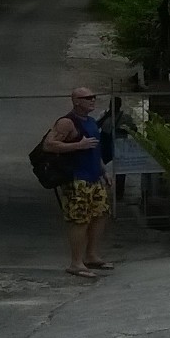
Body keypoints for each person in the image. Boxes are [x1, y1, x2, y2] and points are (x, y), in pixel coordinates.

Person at [43, 87, 112, 279]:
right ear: (76, 101)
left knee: (100, 214)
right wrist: (77, 146)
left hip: (94, 176)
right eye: (88, 97)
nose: (92, 100)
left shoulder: (90, 121)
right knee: (79, 219)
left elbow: (94, 149)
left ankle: (91, 255)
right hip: (76, 178)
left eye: (94, 97)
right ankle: (76, 262)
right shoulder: (67, 122)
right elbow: (48, 144)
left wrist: (104, 171)